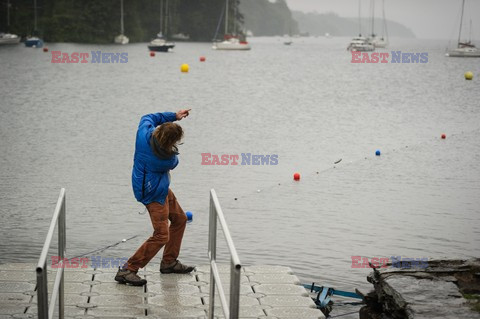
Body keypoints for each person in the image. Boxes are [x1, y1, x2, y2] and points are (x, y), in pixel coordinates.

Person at [115, 109, 194, 286]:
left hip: (160, 187)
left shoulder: (144, 133)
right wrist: (173, 148)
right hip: (152, 193)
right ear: (170, 142)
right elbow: (174, 162)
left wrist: (174, 115)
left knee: (180, 219)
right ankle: (128, 269)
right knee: (161, 235)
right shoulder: (165, 159)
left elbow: (149, 117)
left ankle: (169, 262)